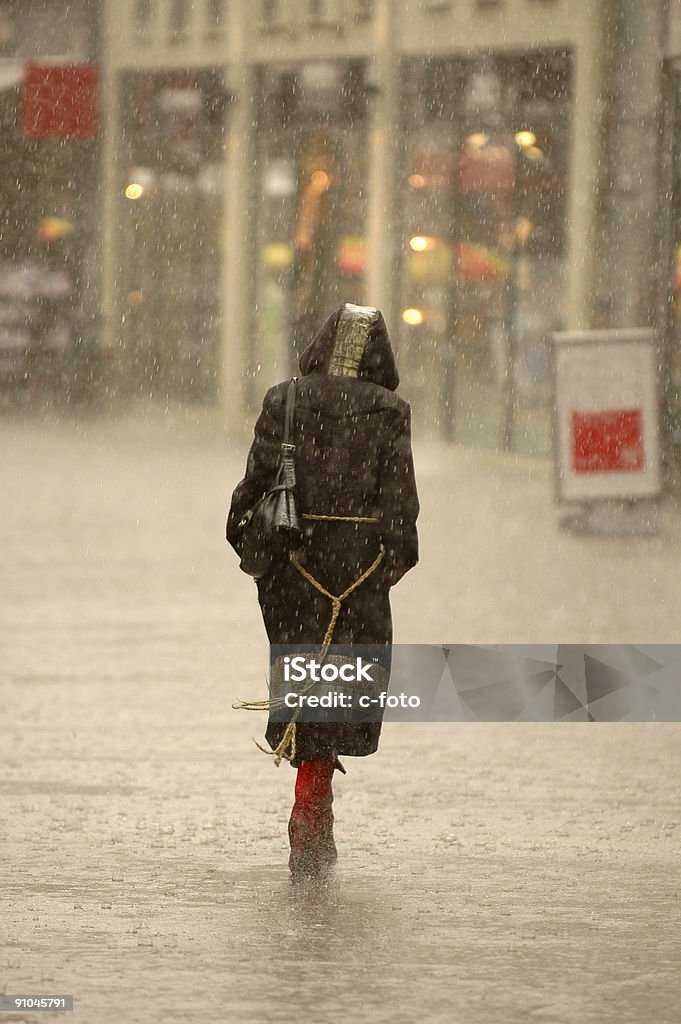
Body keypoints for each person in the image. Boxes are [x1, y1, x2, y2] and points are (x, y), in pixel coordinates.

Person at [227, 303, 419, 877]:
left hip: (294, 570)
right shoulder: (390, 412)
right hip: (359, 577)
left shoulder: (283, 400)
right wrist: (380, 570)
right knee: (338, 689)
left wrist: (265, 557)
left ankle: (310, 805)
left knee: (305, 686)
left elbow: (252, 493)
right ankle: (314, 808)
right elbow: (402, 512)